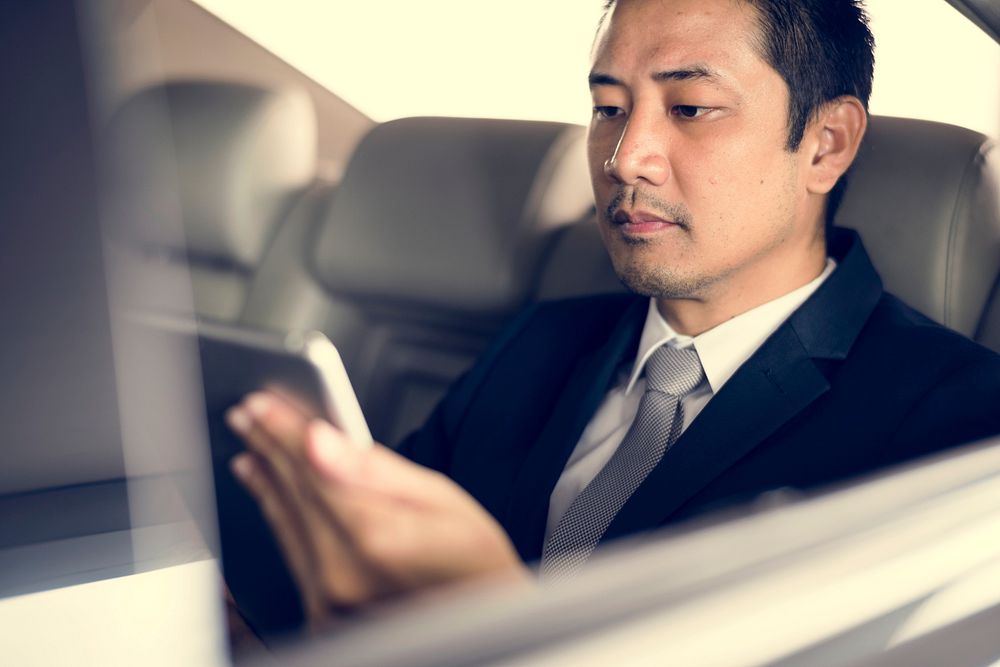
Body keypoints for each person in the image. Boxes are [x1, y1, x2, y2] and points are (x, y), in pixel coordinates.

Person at [224, 0, 1000, 622]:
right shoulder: (539, 343)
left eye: (690, 107)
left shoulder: (961, 430)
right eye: (608, 107)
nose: (624, 156)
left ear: (826, 144)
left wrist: (505, 623)